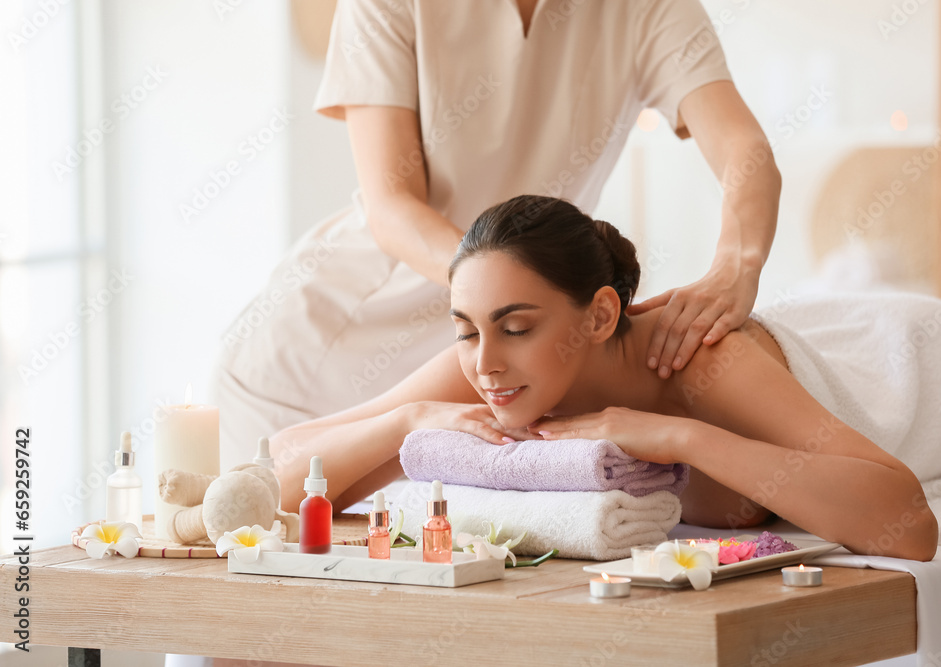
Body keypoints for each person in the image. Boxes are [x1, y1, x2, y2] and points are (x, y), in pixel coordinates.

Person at [209, 0, 782, 472]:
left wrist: (738, 266)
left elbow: (743, 150)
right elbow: (391, 204)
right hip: (319, 352)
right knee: (264, 562)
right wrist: (492, 305)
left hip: (494, 355)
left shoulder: (647, 8)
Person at [266, 194, 941, 565]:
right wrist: (407, 420)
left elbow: (907, 525)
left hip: (922, 361)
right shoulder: (489, 366)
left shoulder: (701, 361)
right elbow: (281, 476)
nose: (483, 362)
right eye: (465, 328)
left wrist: (675, 436)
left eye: (516, 326)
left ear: (600, 314)